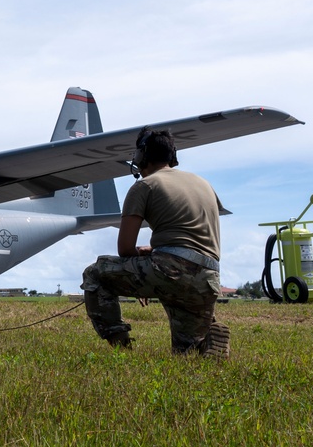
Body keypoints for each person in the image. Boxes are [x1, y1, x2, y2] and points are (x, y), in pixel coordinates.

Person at [82, 127, 230, 356]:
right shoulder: (203, 183)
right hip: (208, 278)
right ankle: (204, 341)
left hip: (170, 271)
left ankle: (122, 349)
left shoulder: (144, 186)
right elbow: (197, 236)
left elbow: (125, 248)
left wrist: (143, 270)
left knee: (95, 273)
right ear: (173, 155)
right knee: (185, 352)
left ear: (142, 155)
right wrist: (155, 254)